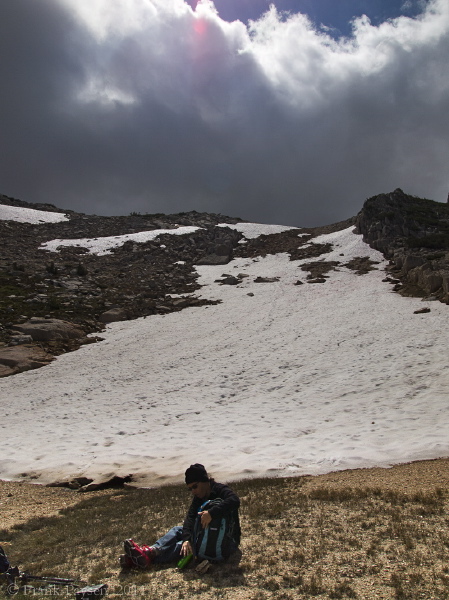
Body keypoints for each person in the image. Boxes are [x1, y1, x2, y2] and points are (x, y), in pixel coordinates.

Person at [120, 464, 241, 569]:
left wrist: (211, 513)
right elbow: (190, 518)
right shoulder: (199, 497)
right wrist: (187, 539)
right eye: (190, 489)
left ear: (205, 481)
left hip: (226, 544)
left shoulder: (220, 489)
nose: (193, 491)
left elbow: (234, 500)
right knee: (179, 532)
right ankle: (150, 552)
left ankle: (139, 558)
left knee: (180, 548)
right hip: (205, 538)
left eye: (195, 486)